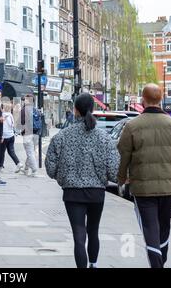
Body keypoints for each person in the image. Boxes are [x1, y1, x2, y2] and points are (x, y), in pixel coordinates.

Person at [117, 84, 171, 268]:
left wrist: (121, 178)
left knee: (150, 228)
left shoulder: (132, 125)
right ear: (160, 99)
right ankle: (161, 261)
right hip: (168, 188)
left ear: (143, 100)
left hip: (143, 189)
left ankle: (157, 264)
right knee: (164, 228)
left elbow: (123, 155)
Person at [45, 93, 120, 269]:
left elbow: (50, 168)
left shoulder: (62, 136)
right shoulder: (104, 138)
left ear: (75, 110)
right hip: (96, 193)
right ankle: (93, 264)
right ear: (93, 109)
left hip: (72, 193)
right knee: (93, 231)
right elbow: (114, 171)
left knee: (79, 236)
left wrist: (62, 177)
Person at [0, 102, 23, 173]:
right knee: (11, 151)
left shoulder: (3, 115)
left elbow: (2, 127)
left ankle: (0, 166)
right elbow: (12, 125)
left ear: (3, 108)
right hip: (11, 136)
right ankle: (18, 163)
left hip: (5, 136)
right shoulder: (10, 115)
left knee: (2, 152)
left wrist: (2, 136)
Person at [18, 95, 38, 177]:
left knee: (30, 153)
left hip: (27, 134)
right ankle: (26, 169)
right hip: (36, 134)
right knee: (31, 152)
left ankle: (34, 170)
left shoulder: (24, 110)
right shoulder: (35, 109)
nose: (23, 101)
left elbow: (20, 122)